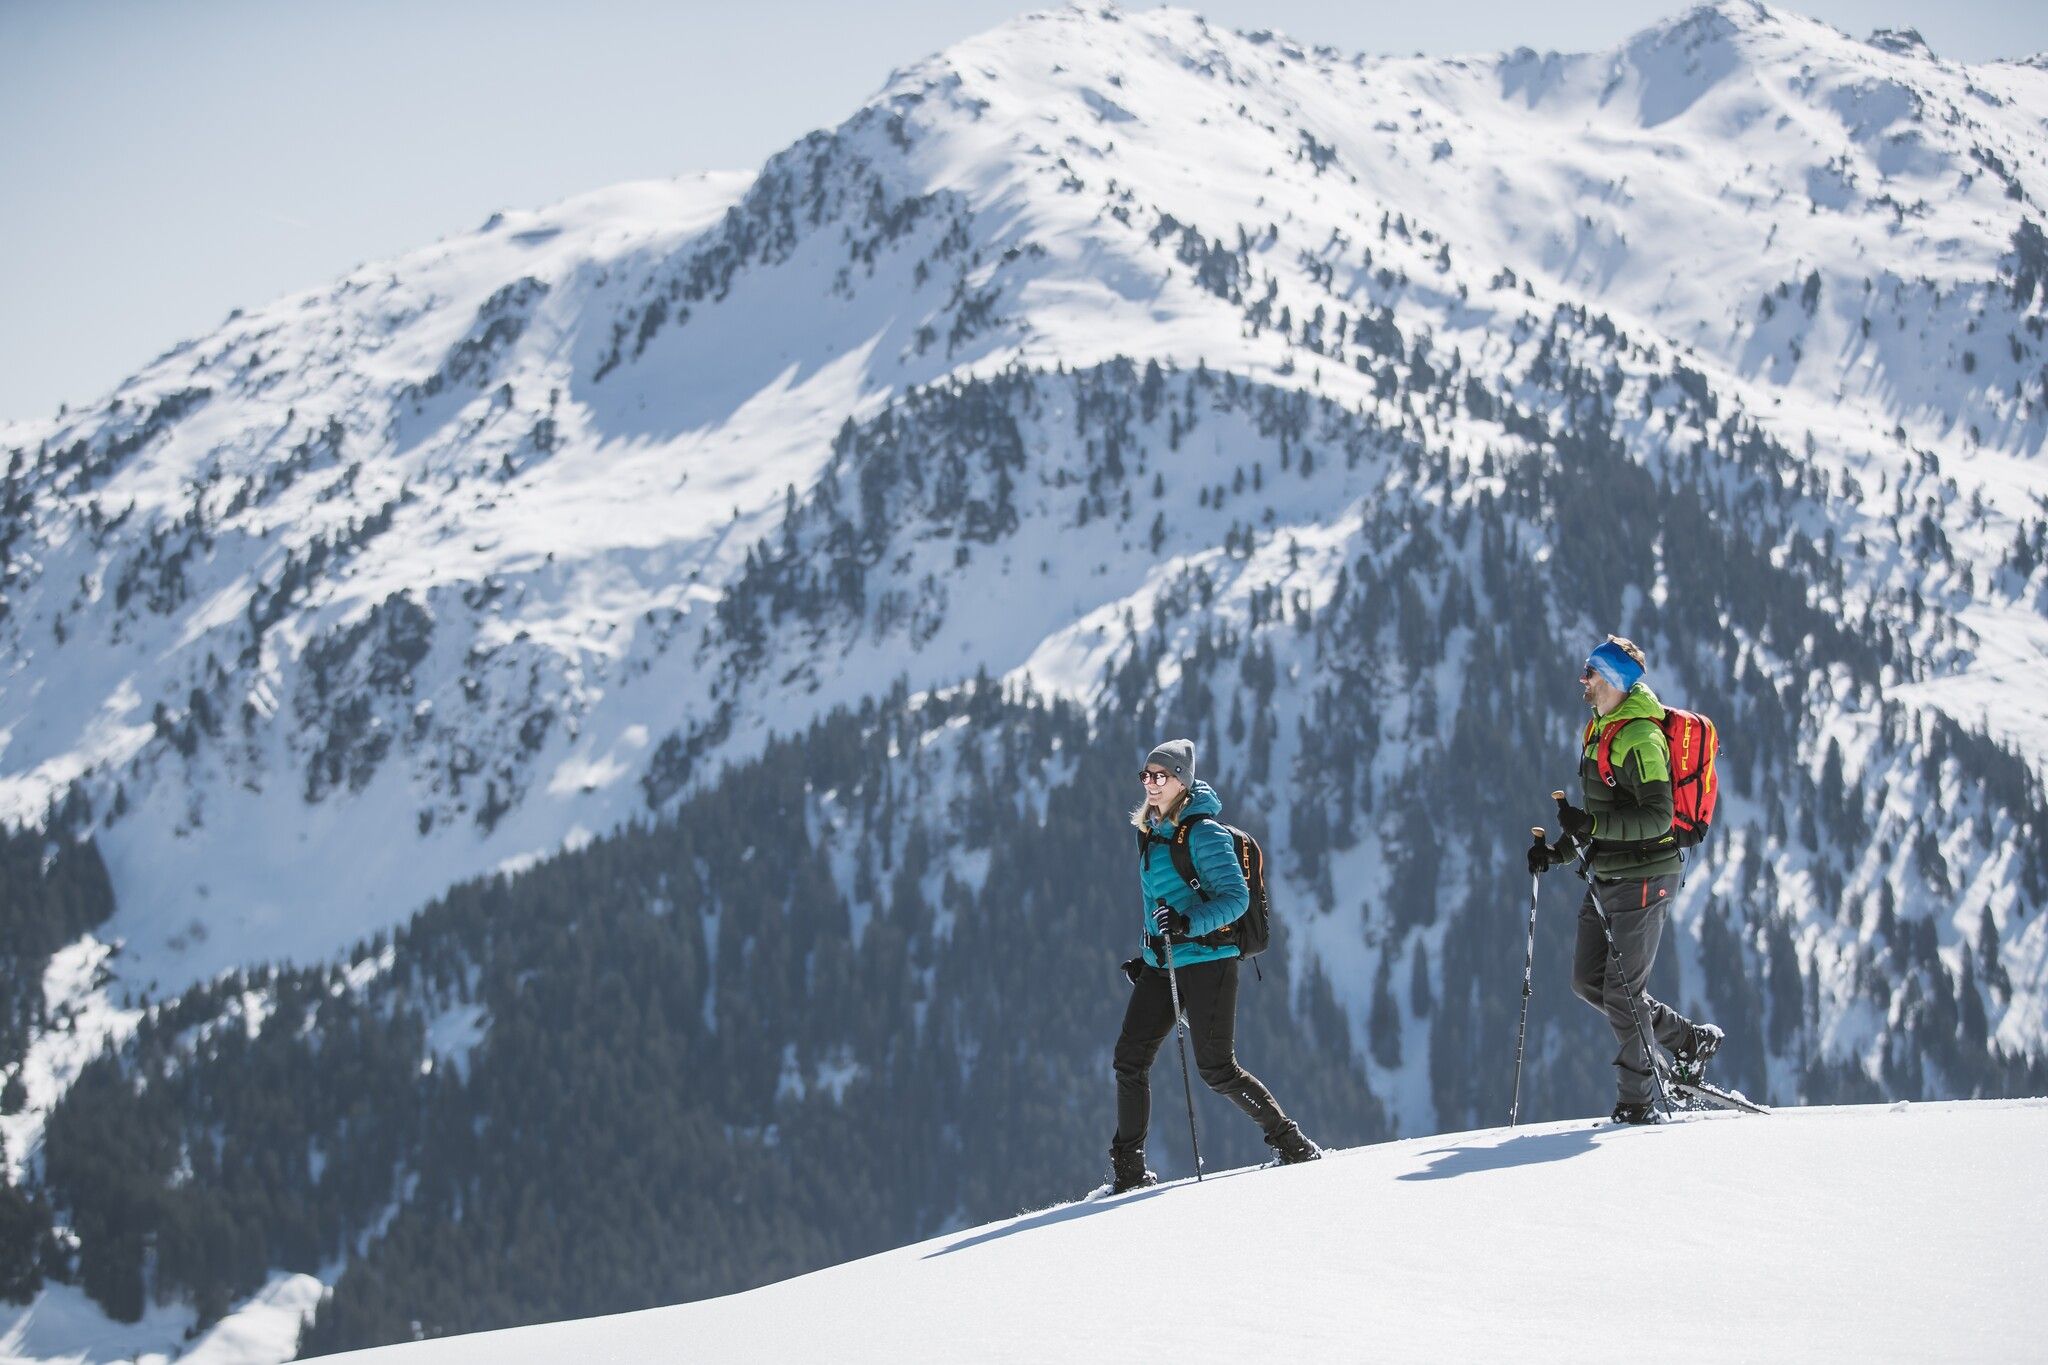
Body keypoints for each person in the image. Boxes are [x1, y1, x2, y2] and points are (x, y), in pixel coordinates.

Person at [1108, 738, 1320, 1192]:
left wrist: (1188, 924)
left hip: (1210, 962)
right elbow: (1157, 903)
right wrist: (1148, 954)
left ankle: (1292, 1144)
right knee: (1129, 1059)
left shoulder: (1204, 833)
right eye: (1146, 775)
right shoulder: (1149, 831)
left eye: (1160, 776)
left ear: (1182, 781)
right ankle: (1128, 1172)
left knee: (1216, 1068)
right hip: (1163, 963)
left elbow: (1236, 899)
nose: (1150, 783)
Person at [1528, 638, 1724, 1124]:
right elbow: (1601, 813)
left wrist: (1591, 826)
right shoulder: (1602, 728)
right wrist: (1558, 852)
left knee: (1622, 993)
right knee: (1587, 981)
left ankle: (1637, 1104)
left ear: (1614, 679)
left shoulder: (1640, 737)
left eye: (1592, 672)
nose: (1584, 679)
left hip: (1646, 876)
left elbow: (1658, 817)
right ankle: (1688, 1040)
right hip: (1609, 873)